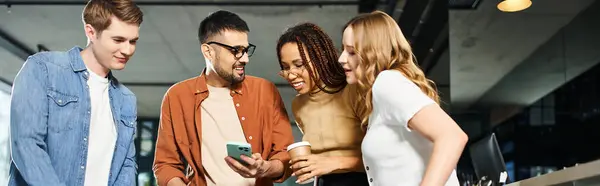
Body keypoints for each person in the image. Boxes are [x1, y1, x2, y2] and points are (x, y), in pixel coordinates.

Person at [152, 10, 295, 186]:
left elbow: (286, 156)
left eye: (246, 50)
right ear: (208, 51)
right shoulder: (177, 97)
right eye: (236, 51)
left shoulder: (265, 91)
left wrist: (263, 168)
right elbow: (166, 164)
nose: (245, 59)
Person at [9, 0, 143, 185]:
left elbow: (126, 165)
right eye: (118, 40)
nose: (127, 50)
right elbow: (26, 145)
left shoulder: (126, 99)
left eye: (133, 41)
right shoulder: (43, 69)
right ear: (91, 32)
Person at [338, 11, 468, 186]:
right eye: (343, 50)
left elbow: (452, 136)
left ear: (374, 53)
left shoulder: (387, 82)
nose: (341, 59)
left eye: (352, 52)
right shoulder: (382, 92)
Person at [276, 23, 369, 186]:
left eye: (299, 65)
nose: (291, 74)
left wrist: (334, 163)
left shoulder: (354, 92)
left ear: (321, 57)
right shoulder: (298, 104)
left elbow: (386, 155)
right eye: (285, 67)